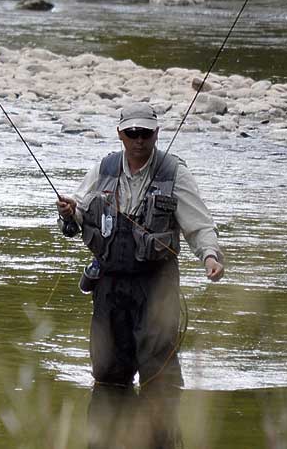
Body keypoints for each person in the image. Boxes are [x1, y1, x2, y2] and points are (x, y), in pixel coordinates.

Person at [55, 102, 224, 447]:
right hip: (110, 285)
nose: (138, 140)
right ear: (120, 134)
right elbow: (75, 217)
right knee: (108, 376)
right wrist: (69, 212)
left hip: (157, 287)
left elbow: (199, 224)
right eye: (132, 133)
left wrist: (210, 255)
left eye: (145, 133)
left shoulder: (174, 173)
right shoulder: (103, 169)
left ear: (156, 134)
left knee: (158, 375)